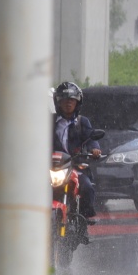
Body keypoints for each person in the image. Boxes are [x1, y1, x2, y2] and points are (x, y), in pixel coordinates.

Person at [52, 81, 102, 225]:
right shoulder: (50, 121)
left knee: (86, 186)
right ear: (58, 102)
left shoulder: (82, 122)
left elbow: (91, 138)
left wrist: (94, 149)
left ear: (77, 102)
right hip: (53, 166)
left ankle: (85, 217)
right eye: (64, 99)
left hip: (75, 166)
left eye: (72, 100)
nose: (68, 103)